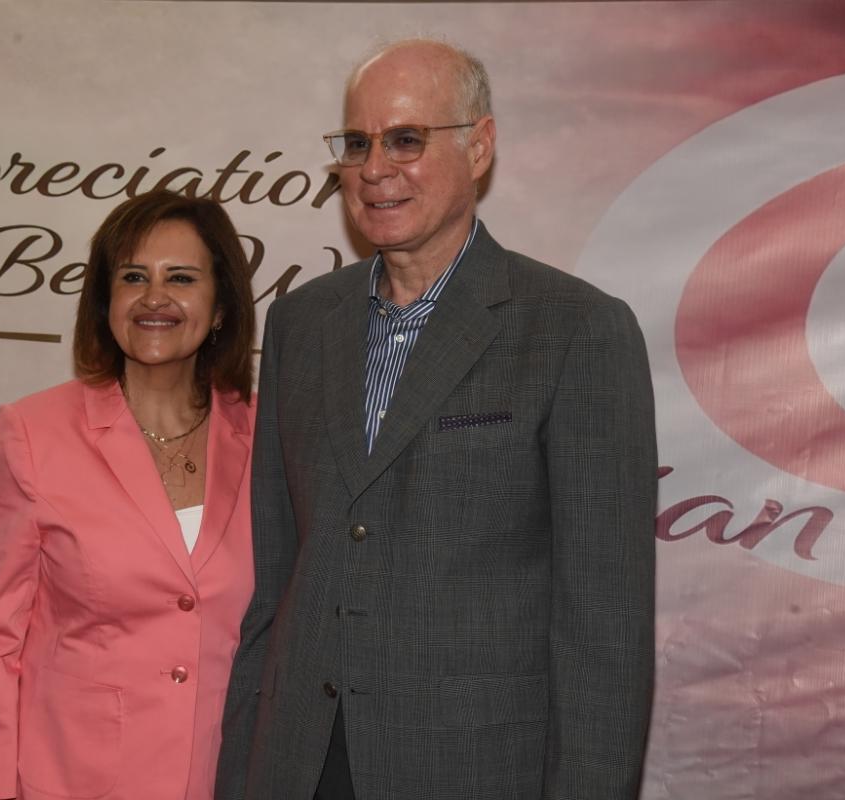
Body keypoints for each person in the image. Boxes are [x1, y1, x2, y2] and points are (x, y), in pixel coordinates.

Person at [215, 39, 657, 800]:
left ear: (478, 147)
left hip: (476, 772)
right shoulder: (300, 324)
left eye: (405, 139)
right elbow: (277, 584)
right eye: (358, 143)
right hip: (300, 765)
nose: (374, 168)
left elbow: (604, 627)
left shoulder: (575, 330)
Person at [0, 189, 257, 800]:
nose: (154, 297)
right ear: (105, 302)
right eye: (133, 277)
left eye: (181, 278)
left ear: (221, 306)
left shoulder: (270, 437)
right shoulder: (30, 434)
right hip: (69, 782)